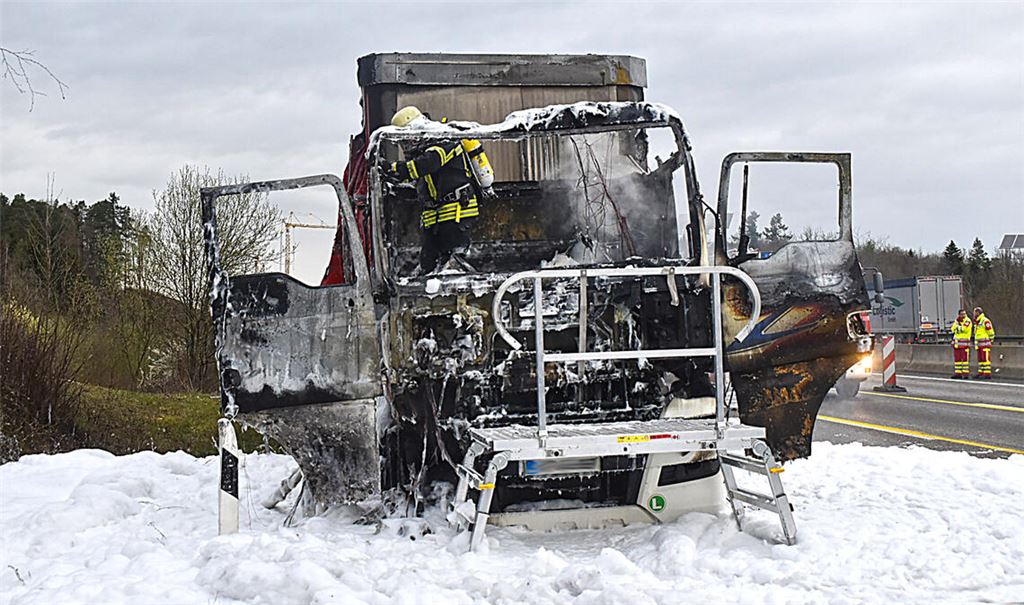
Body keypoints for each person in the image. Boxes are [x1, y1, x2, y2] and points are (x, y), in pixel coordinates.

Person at [387, 106, 491, 274]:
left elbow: (428, 163)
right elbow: (416, 175)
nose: (405, 146)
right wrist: (391, 176)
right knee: (429, 261)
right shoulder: (422, 151)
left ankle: (464, 285)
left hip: (458, 209)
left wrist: (395, 168)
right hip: (435, 214)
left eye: (407, 140)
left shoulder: (445, 140)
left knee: (455, 258)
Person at [972, 306, 995, 379]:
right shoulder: (977, 322)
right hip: (979, 344)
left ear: (978, 313)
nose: (974, 314)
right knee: (981, 360)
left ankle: (987, 374)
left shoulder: (985, 321)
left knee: (985, 359)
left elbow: (990, 331)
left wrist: (990, 340)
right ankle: (981, 372)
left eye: (975, 312)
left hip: (985, 344)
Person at [950, 309, 972, 379]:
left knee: (965, 360)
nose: (963, 315)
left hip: (964, 344)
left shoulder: (967, 321)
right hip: (957, 345)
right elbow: (952, 329)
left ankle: (965, 374)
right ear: (959, 315)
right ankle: (958, 373)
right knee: (957, 360)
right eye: (962, 314)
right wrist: (958, 327)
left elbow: (964, 329)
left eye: (964, 314)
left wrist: (957, 328)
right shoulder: (957, 321)